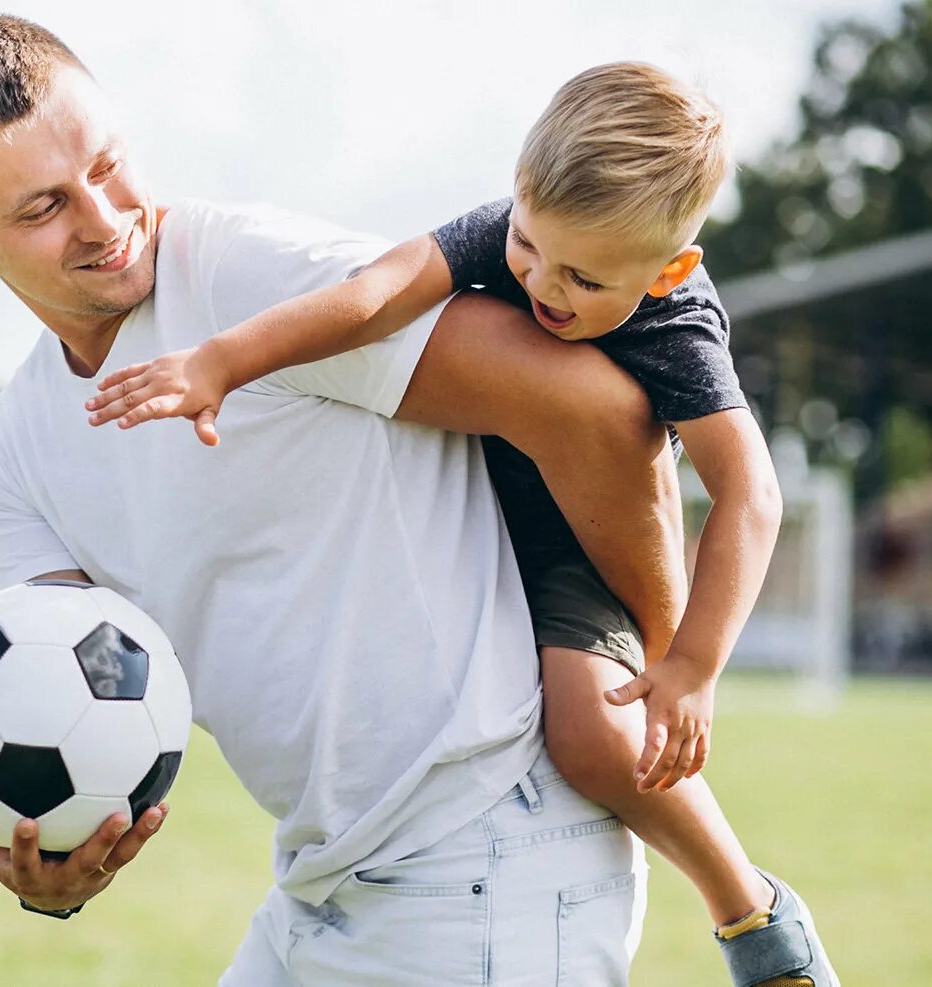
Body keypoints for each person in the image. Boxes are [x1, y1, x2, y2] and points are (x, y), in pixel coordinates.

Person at [0, 15, 689, 984]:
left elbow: (594, 409)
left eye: (108, 166)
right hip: (321, 884)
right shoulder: (8, 463)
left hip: (492, 857)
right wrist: (54, 866)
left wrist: (670, 656)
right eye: (43, 208)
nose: (103, 220)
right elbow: (74, 700)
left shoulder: (242, 278)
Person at [83, 61, 838, 986]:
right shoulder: (513, 230)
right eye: (526, 245)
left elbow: (749, 495)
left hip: (567, 550)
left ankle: (750, 911)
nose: (541, 285)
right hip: (463, 513)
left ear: (668, 269)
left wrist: (690, 667)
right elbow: (372, 296)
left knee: (594, 734)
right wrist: (221, 363)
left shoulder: (679, 326)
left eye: (583, 279)